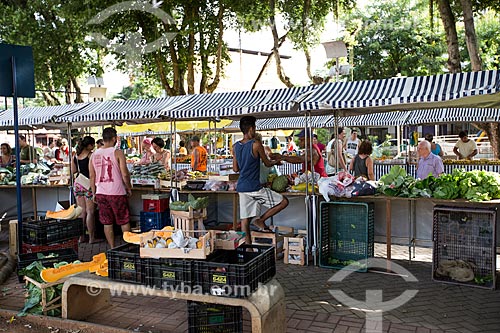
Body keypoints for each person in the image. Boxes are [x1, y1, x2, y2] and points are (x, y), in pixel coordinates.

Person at [233, 116, 288, 244]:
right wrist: (277, 161)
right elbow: (267, 163)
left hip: (242, 187)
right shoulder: (256, 145)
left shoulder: (235, 146)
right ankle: (261, 220)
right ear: (251, 129)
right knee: (283, 202)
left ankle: (248, 248)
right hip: (255, 187)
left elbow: (235, 168)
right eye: (255, 128)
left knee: (245, 220)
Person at [89, 127, 132, 248]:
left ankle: (112, 248)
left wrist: (93, 193)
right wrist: (128, 188)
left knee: (107, 222)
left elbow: (92, 176)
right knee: (124, 220)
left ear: (103, 139)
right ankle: (128, 246)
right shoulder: (117, 152)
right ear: (114, 138)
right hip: (117, 191)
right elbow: (124, 173)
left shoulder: (94, 155)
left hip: (101, 192)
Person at [72, 136, 102, 244]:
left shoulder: (75, 156)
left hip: (78, 184)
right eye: (92, 145)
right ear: (89, 145)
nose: (93, 147)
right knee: (90, 212)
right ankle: (91, 238)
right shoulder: (91, 155)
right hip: (89, 185)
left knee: (81, 212)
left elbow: (73, 170)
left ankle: (81, 237)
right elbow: (94, 172)